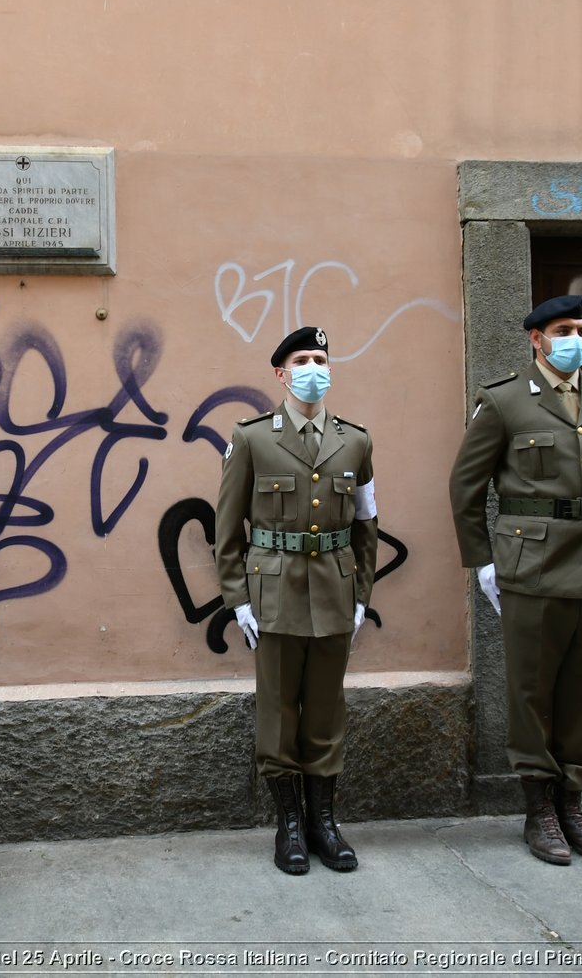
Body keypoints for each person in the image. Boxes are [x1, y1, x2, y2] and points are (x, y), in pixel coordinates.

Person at [448, 294, 582, 865]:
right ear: (537, 338)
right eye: (563, 329)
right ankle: (539, 811)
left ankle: (573, 805)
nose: (575, 338)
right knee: (532, 692)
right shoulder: (504, 402)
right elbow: (465, 487)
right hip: (529, 569)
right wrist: (484, 563)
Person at [214, 326, 379, 875]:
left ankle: (323, 823)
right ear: (282, 374)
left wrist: (361, 594)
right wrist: (238, 599)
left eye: (322, 358)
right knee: (279, 712)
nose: (315, 368)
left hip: (335, 588)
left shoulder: (355, 440)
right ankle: (288, 826)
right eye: (303, 360)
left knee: (326, 712)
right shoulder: (252, 437)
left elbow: (366, 524)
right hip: (274, 593)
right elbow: (227, 528)